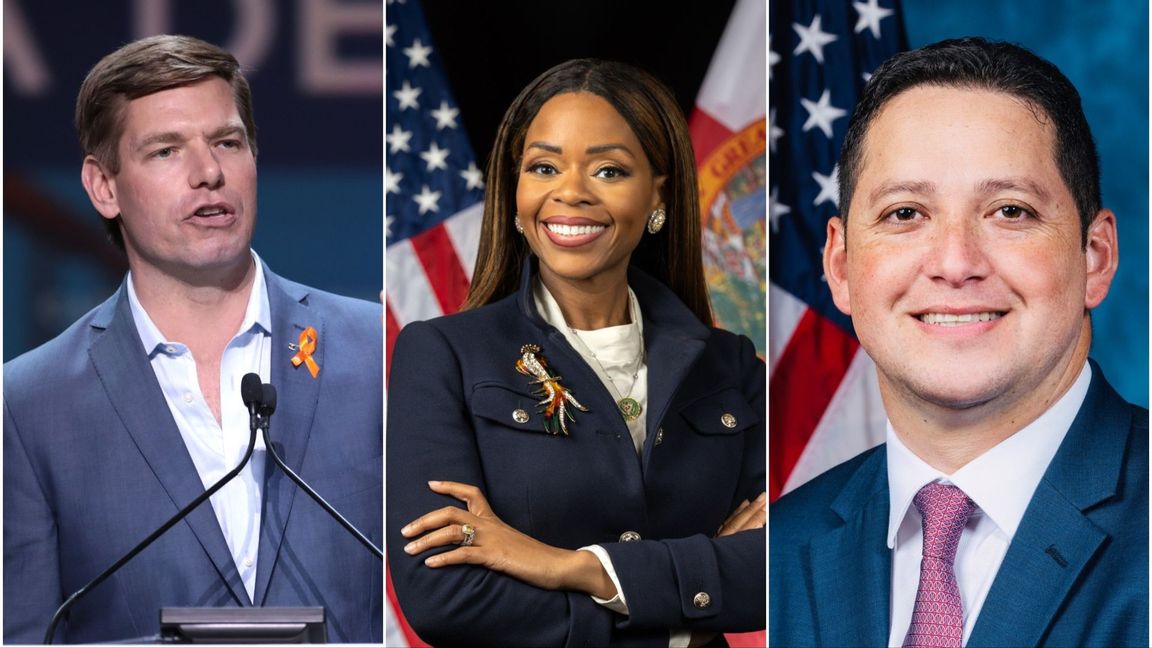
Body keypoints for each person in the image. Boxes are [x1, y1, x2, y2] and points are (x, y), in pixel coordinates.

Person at [3, 35, 382, 644]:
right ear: (104, 187)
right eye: (165, 151)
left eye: (227, 142)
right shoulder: (26, 406)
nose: (209, 173)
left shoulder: (380, 354)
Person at [770, 37, 1148, 647]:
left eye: (1010, 211)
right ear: (840, 266)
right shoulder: (783, 547)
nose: (954, 263)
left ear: (1096, 257)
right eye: (905, 214)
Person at [386, 58, 766, 646]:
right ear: (515, 196)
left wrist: (566, 566)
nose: (570, 192)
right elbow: (442, 595)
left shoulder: (732, 365)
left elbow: (770, 570)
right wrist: (679, 615)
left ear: (657, 195)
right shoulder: (441, 356)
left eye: (609, 171)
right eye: (543, 167)